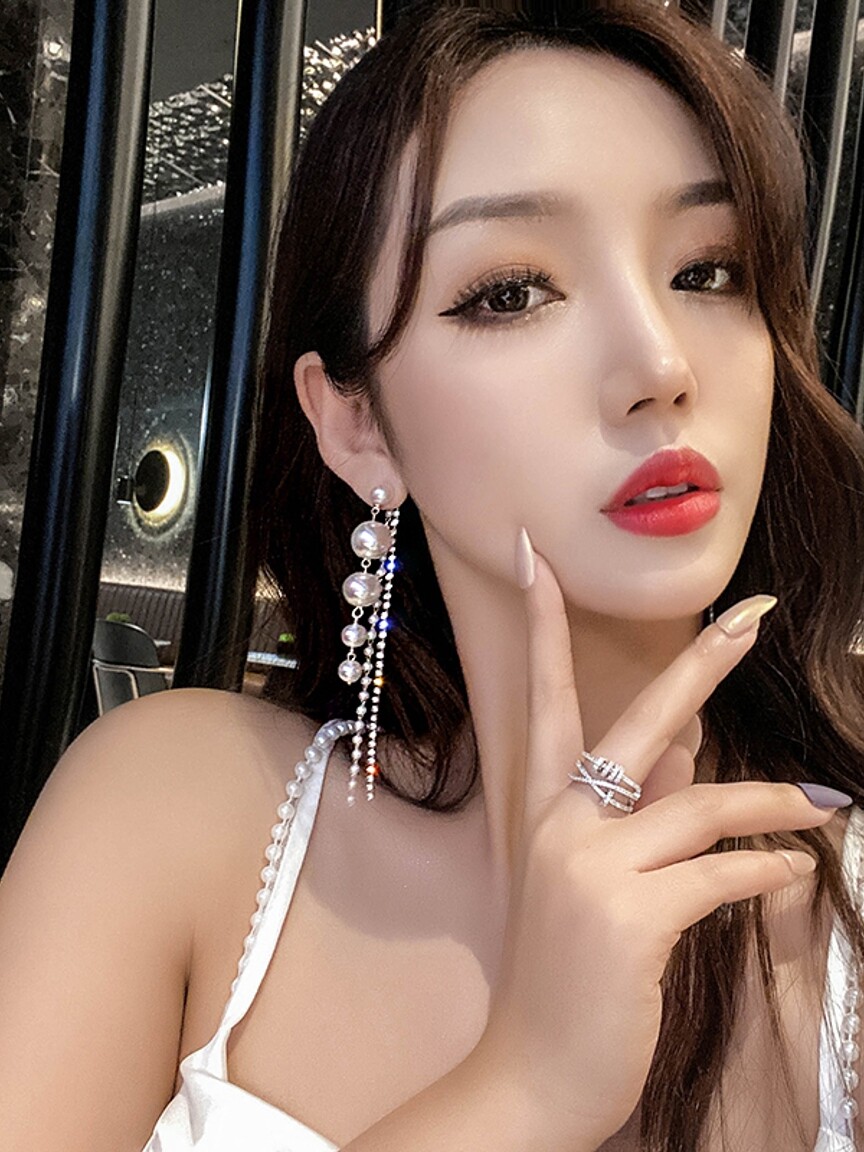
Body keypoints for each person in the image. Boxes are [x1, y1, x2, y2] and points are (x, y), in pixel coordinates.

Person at [2, 1, 864, 1149]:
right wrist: (526, 1087)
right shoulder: (172, 809)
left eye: (707, 271)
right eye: (511, 292)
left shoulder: (841, 923)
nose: (659, 364)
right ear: (356, 424)